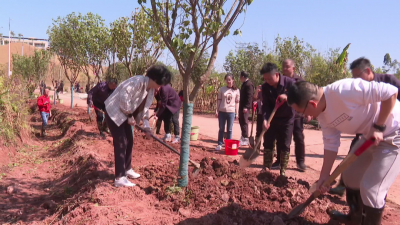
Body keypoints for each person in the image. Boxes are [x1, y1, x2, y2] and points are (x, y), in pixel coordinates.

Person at [286, 79, 400, 225]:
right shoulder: (322, 115)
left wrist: (379, 127)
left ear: (312, 104)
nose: (303, 116)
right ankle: (355, 218)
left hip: (394, 134)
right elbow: (331, 144)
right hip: (369, 137)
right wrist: (324, 176)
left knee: (372, 188)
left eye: (301, 112)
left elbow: (391, 92)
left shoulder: (345, 90)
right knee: (350, 176)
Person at [328, 58, 400, 210]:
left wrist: (380, 126)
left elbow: (393, 98)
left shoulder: (389, 81)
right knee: (351, 168)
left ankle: (375, 204)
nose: (355, 81)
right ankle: (353, 213)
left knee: (374, 184)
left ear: (368, 71)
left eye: (357, 77)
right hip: (367, 131)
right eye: (353, 78)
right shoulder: (358, 88)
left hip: (390, 132)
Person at [104, 65, 171, 187]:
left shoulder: (150, 91)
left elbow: (145, 111)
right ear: (156, 79)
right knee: (121, 142)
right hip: (114, 112)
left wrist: (147, 128)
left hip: (125, 115)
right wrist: (129, 115)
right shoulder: (138, 81)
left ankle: (127, 169)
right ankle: (119, 178)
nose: (161, 87)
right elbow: (124, 96)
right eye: (161, 83)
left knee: (129, 139)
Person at [260, 63, 295, 176]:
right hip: (272, 119)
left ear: (276, 74)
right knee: (268, 142)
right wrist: (265, 119)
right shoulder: (265, 87)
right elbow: (265, 105)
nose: (267, 81)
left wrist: (288, 97)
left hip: (287, 119)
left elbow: (299, 97)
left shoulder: (290, 83)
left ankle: (282, 171)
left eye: (269, 78)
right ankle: (266, 168)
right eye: (265, 79)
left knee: (285, 144)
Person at [281, 59, 309, 171]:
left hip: (297, 114)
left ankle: (300, 162)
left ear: (293, 68)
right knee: (282, 138)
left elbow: (305, 97)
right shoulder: (280, 81)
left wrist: (307, 112)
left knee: (298, 137)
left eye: (287, 66)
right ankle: (280, 161)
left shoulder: (300, 81)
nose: (284, 68)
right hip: (284, 114)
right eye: (283, 66)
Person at [215, 74, 240, 150]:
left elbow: (237, 103)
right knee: (221, 128)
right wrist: (217, 110)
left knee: (229, 129)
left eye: (230, 79)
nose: (228, 81)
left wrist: (237, 113)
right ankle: (220, 144)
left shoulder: (236, 90)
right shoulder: (222, 89)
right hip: (222, 111)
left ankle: (228, 145)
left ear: (233, 80)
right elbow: (219, 100)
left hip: (231, 112)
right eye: (227, 80)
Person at [239, 71, 254, 146]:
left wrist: (247, 107)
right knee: (241, 122)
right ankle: (243, 136)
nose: (240, 78)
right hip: (241, 106)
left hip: (245, 107)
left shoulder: (249, 84)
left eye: (240, 77)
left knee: (244, 122)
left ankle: (245, 138)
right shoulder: (244, 84)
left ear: (243, 77)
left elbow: (250, 96)